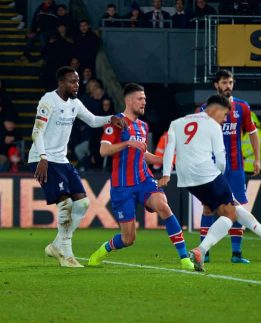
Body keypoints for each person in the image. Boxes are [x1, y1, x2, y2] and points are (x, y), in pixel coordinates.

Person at [159, 94, 261, 272]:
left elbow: (169, 149)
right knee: (231, 214)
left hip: (186, 179)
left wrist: (166, 174)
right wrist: (219, 175)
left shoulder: (177, 122)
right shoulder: (212, 124)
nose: (225, 119)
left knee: (232, 205)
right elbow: (220, 158)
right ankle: (201, 250)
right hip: (207, 174)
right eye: (225, 114)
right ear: (216, 110)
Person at [87, 83, 195, 271]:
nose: (144, 102)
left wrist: (167, 159)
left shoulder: (143, 126)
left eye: (145, 98)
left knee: (163, 206)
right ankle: (102, 251)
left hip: (144, 179)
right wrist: (127, 143)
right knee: (128, 239)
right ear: (128, 100)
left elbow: (143, 154)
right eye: (140, 98)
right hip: (122, 186)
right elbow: (104, 150)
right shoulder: (116, 123)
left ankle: (185, 258)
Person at [29, 66, 124, 267]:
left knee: (82, 203)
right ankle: (66, 255)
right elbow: (37, 132)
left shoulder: (75, 103)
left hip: (62, 160)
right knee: (65, 204)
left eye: (78, 81)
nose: (76, 85)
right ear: (61, 82)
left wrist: (111, 119)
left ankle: (57, 244)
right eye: (72, 81)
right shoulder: (48, 101)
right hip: (43, 158)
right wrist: (43, 157)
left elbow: (92, 120)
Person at [196, 70, 261, 264]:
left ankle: (237, 253)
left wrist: (257, 159)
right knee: (208, 208)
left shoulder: (242, 107)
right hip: (211, 169)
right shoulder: (204, 109)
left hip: (235, 168)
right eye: (224, 83)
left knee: (237, 207)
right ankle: (204, 251)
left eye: (231, 82)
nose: (228, 86)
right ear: (216, 85)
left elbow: (252, 132)